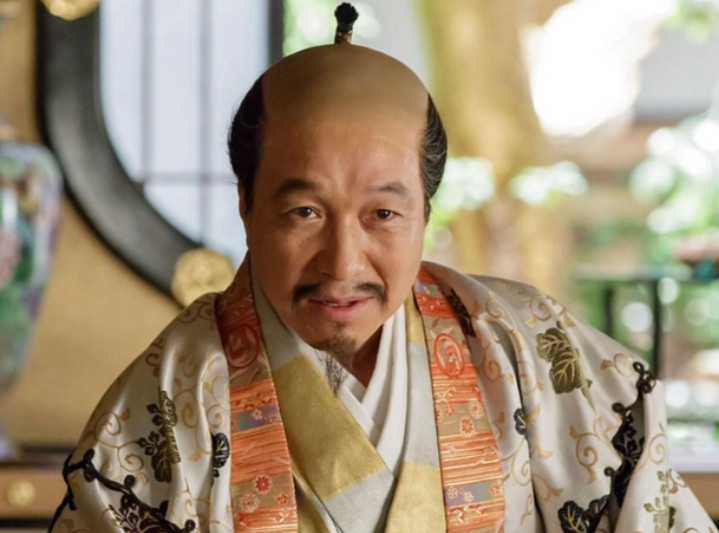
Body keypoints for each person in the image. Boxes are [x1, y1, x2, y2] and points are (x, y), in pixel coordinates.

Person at [50, 4, 716, 532]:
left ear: (426, 210)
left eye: (383, 214)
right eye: (305, 211)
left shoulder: (527, 345)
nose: (343, 262)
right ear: (246, 204)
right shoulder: (170, 400)